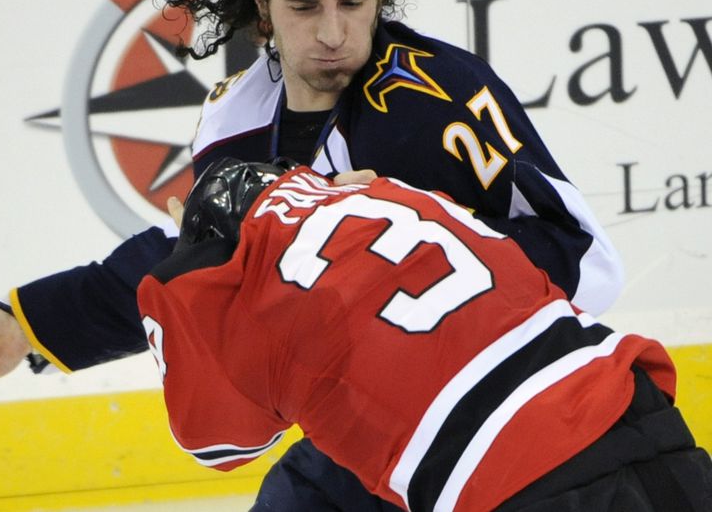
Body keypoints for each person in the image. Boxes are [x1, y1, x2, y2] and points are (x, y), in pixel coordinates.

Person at [0, 0, 627, 511]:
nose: (333, 33)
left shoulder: (438, 99)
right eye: (303, 6)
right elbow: (200, 264)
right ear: (262, 2)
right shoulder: (236, 117)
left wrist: (423, 219)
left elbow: (585, 259)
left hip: (510, 407)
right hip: (362, 420)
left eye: (354, 1)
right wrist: (29, 325)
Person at [136, 157, 712, 511]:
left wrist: (189, 282)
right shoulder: (391, 191)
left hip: (514, 476)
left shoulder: (244, 287)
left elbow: (221, 444)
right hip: (633, 406)